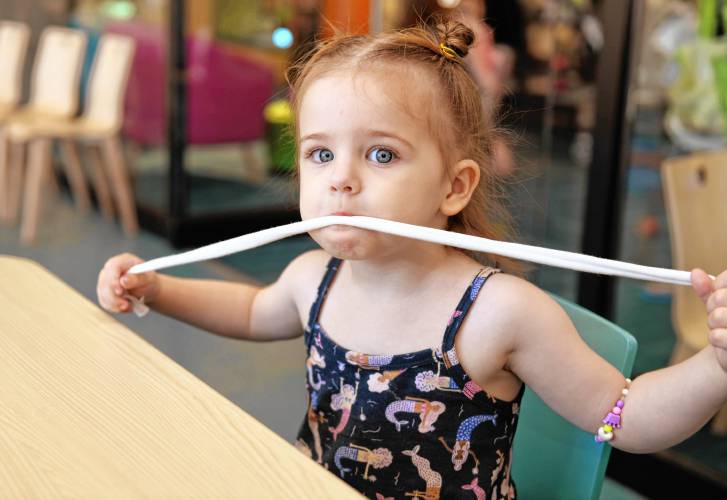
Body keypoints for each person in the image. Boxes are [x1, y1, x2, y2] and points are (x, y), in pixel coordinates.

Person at [97, 17, 727, 499]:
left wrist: (716, 364)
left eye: (381, 155)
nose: (340, 179)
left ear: (454, 187)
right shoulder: (316, 277)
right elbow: (255, 309)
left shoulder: (498, 312)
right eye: (320, 154)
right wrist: (157, 288)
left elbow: (629, 417)